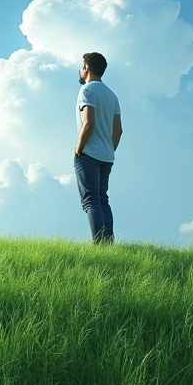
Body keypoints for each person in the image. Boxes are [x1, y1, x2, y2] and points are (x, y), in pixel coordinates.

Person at [74, 52, 122, 245]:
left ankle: (98, 245)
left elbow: (88, 123)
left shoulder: (87, 91)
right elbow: (118, 130)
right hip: (107, 155)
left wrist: (79, 148)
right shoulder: (112, 95)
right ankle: (108, 243)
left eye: (81, 66)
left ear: (86, 68)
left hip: (88, 153)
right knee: (103, 200)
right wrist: (109, 150)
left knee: (91, 201)